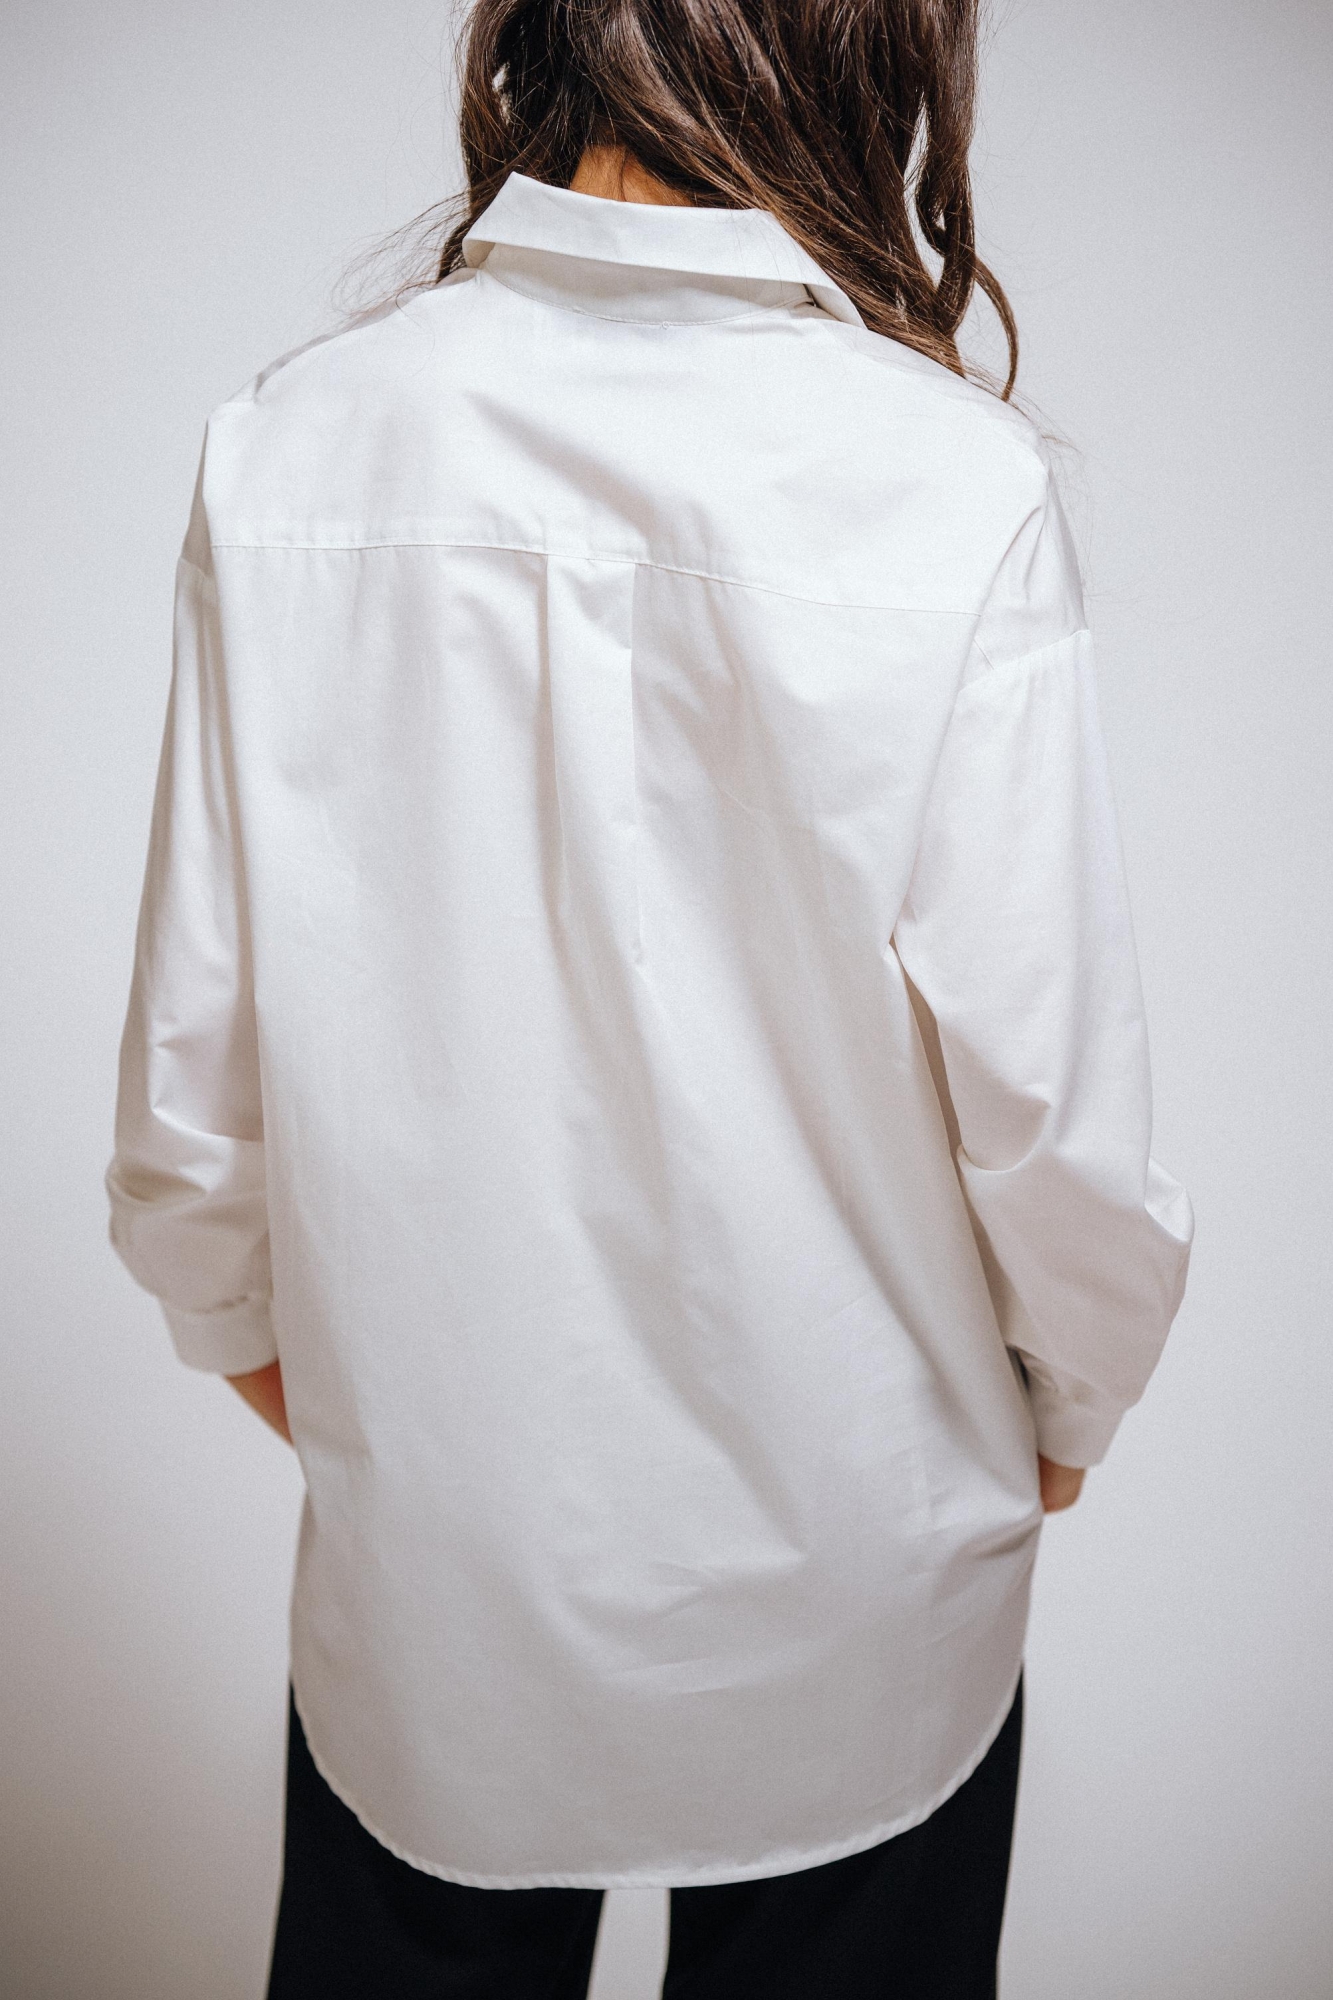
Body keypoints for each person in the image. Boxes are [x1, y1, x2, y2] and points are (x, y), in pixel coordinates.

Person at [106, 0, 1194, 1992]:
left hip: (438, 1598)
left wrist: (354, 1407)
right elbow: (1054, 1128)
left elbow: (188, 1125)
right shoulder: (948, 482)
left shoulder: (294, 443)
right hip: (868, 1578)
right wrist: (1067, 1402)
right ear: (874, 51)